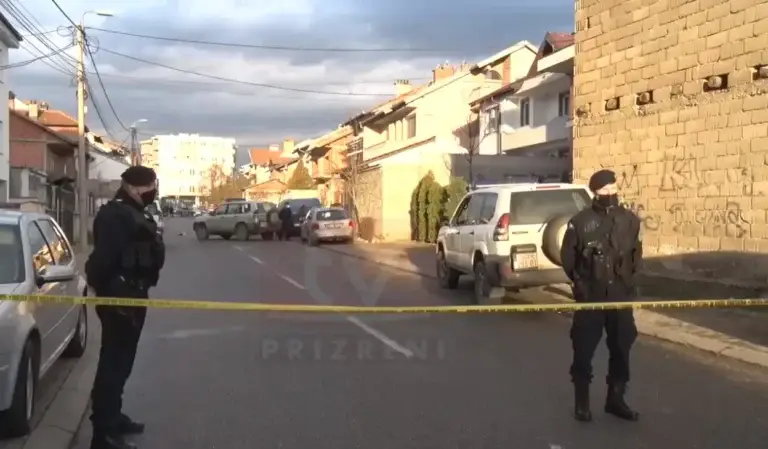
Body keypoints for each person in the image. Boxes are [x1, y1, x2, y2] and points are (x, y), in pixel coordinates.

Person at [85, 166, 166, 449]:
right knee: (113, 364)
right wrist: (111, 294)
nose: (153, 191)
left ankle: (114, 416)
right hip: (120, 301)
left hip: (133, 296)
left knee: (123, 363)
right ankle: (103, 433)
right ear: (132, 187)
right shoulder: (115, 216)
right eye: (149, 187)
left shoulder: (133, 212)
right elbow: (102, 262)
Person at [560, 169, 642, 423]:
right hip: (590, 297)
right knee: (583, 351)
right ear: (595, 192)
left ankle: (615, 399)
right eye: (605, 189)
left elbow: (635, 255)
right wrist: (581, 282)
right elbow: (568, 258)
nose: (610, 193)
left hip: (619, 295)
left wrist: (626, 280)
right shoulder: (580, 222)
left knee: (622, 348)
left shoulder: (630, 220)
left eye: (613, 188)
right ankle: (582, 403)